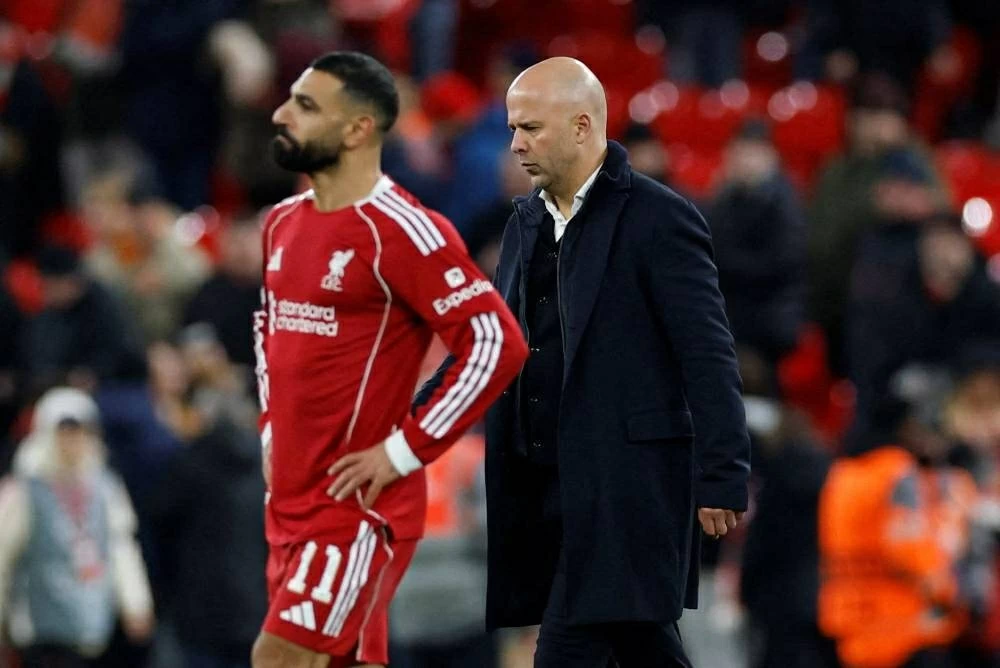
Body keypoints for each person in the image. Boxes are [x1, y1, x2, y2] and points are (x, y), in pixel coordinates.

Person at [417, 57, 752, 667]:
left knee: (566, 649)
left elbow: (707, 353)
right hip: (544, 489)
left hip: (627, 485)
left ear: (581, 126)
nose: (515, 145)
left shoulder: (659, 218)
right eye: (513, 129)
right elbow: (489, 344)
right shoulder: (523, 225)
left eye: (531, 128)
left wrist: (723, 472)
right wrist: (407, 425)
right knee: (639, 644)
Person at [251, 51, 528, 668]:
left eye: (305, 105)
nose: (281, 114)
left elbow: (495, 342)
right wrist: (271, 430)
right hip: (289, 502)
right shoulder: (281, 224)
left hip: (356, 507)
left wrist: (405, 450)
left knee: (279, 658)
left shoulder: (401, 229)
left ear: (358, 130)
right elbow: (268, 328)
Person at [0, 387, 155, 668]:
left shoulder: (103, 487)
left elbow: (120, 547)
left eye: (80, 432)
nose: (72, 442)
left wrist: (135, 603)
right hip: (41, 627)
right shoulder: (25, 490)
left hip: (91, 621)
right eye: (64, 433)